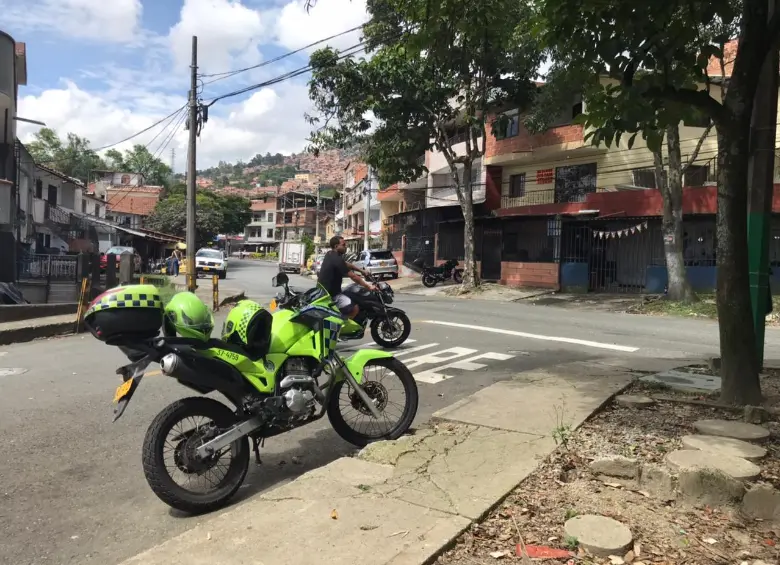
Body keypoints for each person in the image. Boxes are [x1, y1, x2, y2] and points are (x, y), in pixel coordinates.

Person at [317, 236, 376, 319]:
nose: (346, 246)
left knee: (350, 292)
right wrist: (369, 286)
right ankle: (344, 328)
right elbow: (353, 277)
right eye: (344, 244)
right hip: (331, 295)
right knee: (355, 309)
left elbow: (346, 264)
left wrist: (362, 271)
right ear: (336, 246)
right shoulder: (337, 259)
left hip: (322, 292)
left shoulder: (330, 254)